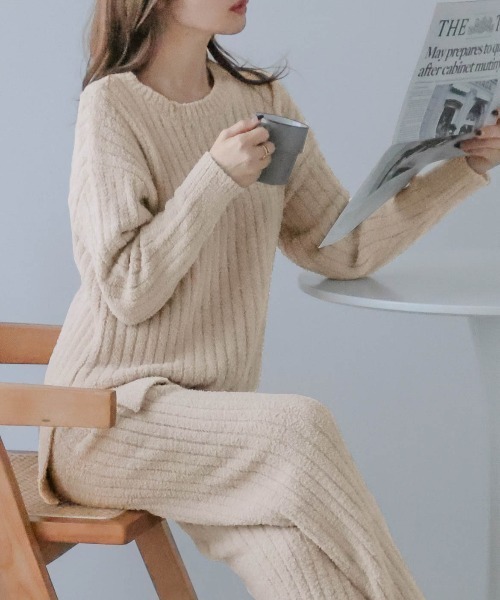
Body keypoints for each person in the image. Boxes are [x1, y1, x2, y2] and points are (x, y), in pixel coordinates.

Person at [36, 1, 500, 598]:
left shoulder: (261, 101)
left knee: (304, 573)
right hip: (104, 421)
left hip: (212, 426)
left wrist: (464, 169)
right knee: (298, 429)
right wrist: (215, 177)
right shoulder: (113, 106)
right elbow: (128, 289)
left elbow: (340, 247)